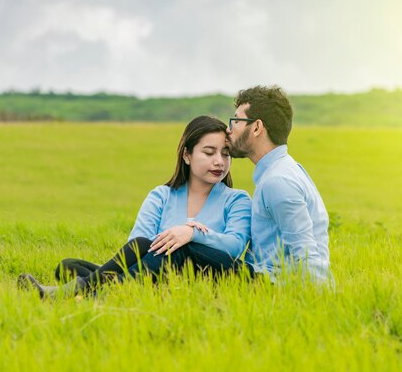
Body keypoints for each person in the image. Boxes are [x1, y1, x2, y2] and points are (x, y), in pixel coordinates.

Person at [18, 115, 251, 298]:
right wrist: (169, 238)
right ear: (187, 156)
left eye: (226, 153)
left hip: (204, 277)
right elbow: (137, 244)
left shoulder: (237, 200)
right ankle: (97, 287)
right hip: (155, 271)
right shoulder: (161, 195)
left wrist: (190, 234)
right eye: (209, 152)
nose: (219, 161)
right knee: (69, 265)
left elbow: (234, 245)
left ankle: (86, 292)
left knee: (163, 253)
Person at [227, 85, 333, 284]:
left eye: (236, 121)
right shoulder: (283, 170)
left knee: (195, 254)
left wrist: (324, 301)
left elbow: (305, 250)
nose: (228, 129)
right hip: (264, 280)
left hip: (271, 286)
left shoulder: (278, 181)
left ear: (256, 127)